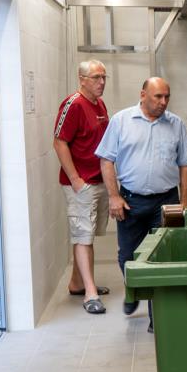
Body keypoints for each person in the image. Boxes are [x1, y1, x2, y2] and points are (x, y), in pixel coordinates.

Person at [95, 77, 187, 332]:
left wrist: (185, 201)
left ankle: (156, 317)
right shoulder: (121, 121)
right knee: (127, 257)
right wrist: (114, 196)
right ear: (143, 95)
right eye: (157, 96)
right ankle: (134, 288)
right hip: (130, 201)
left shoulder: (176, 124)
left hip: (165, 201)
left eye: (166, 97)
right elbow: (106, 160)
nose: (163, 102)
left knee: (161, 259)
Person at [53, 60, 111, 315]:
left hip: (98, 179)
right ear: (82, 79)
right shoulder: (73, 105)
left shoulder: (99, 104)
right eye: (96, 77)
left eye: (104, 77)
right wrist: (76, 179)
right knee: (83, 237)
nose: (102, 82)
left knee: (86, 235)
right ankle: (90, 293)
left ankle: (77, 283)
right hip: (81, 183)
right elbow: (59, 142)